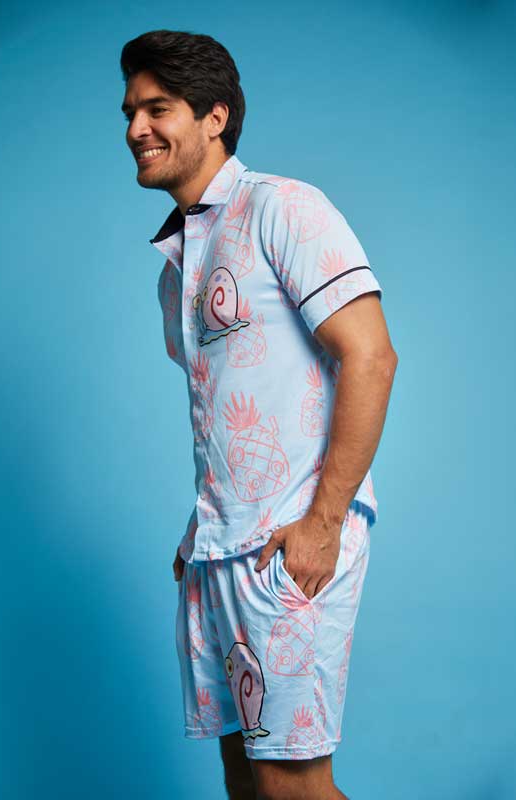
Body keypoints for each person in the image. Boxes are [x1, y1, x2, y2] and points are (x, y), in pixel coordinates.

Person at [120, 29, 398, 800]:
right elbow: (229, 408)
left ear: (214, 116)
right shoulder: (176, 270)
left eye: (157, 108)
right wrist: (201, 535)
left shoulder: (282, 207)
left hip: (290, 540)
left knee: (291, 787)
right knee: (245, 780)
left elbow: (371, 357)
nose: (136, 128)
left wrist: (323, 523)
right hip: (219, 551)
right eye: (130, 111)